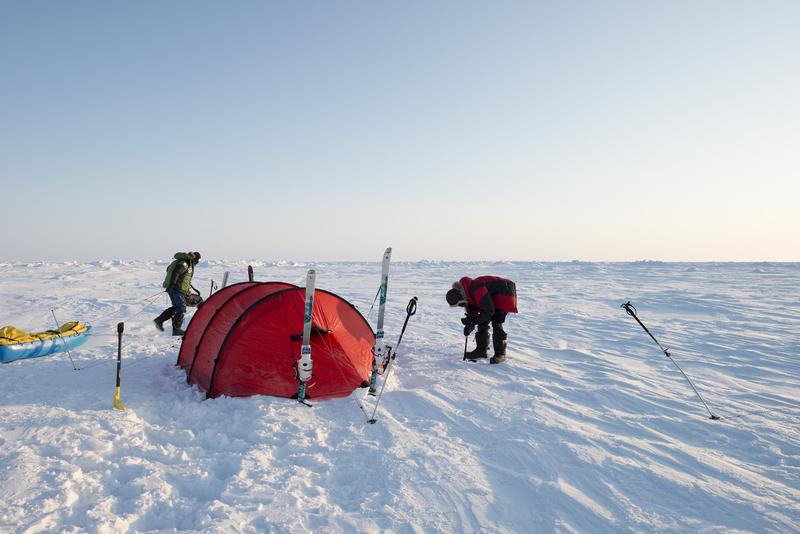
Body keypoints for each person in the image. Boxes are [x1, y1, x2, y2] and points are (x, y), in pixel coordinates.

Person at [446, 275, 518, 364]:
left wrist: (474, 321)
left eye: (460, 304)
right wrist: (469, 325)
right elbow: (473, 310)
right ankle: (481, 350)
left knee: (496, 321)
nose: (461, 306)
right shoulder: (467, 293)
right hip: (491, 299)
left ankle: (500, 354)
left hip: (504, 293)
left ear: (460, 297)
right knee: (483, 320)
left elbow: (489, 311)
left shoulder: (476, 289)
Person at [154, 251, 201, 336]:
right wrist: (172, 285)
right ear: (194, 259)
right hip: (176, 289)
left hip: (179, 289)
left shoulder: (183, 262)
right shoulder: (184, 263)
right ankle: (176, 329)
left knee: (178, 307)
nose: (197, 263)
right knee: (181, 307)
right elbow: (176, 273)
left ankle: (159, 320)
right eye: (197, 261)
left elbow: (169, 269)